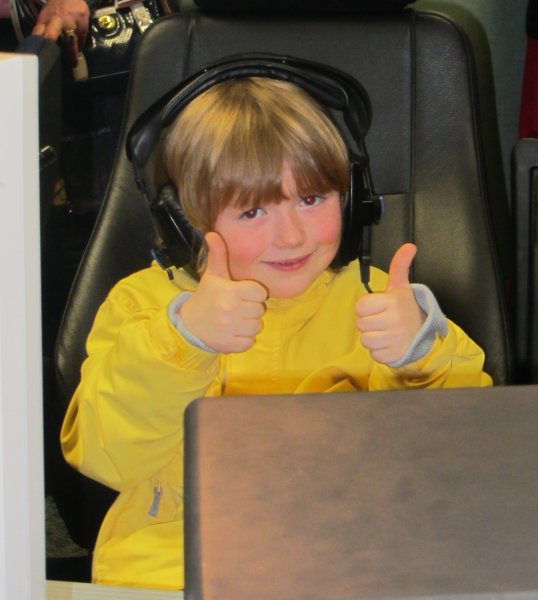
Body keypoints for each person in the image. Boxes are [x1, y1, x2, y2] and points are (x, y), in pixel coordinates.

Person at [60, 76, 492, 590]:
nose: (290, 236)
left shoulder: (375, 302)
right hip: (177, 556)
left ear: (350, 200)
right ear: (185, 224)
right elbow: (106, 457)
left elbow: (461, 460)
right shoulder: (146, 306)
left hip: (346, 552)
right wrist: (185, 342)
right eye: (252, 210)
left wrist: (418, 356)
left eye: (311, 200)